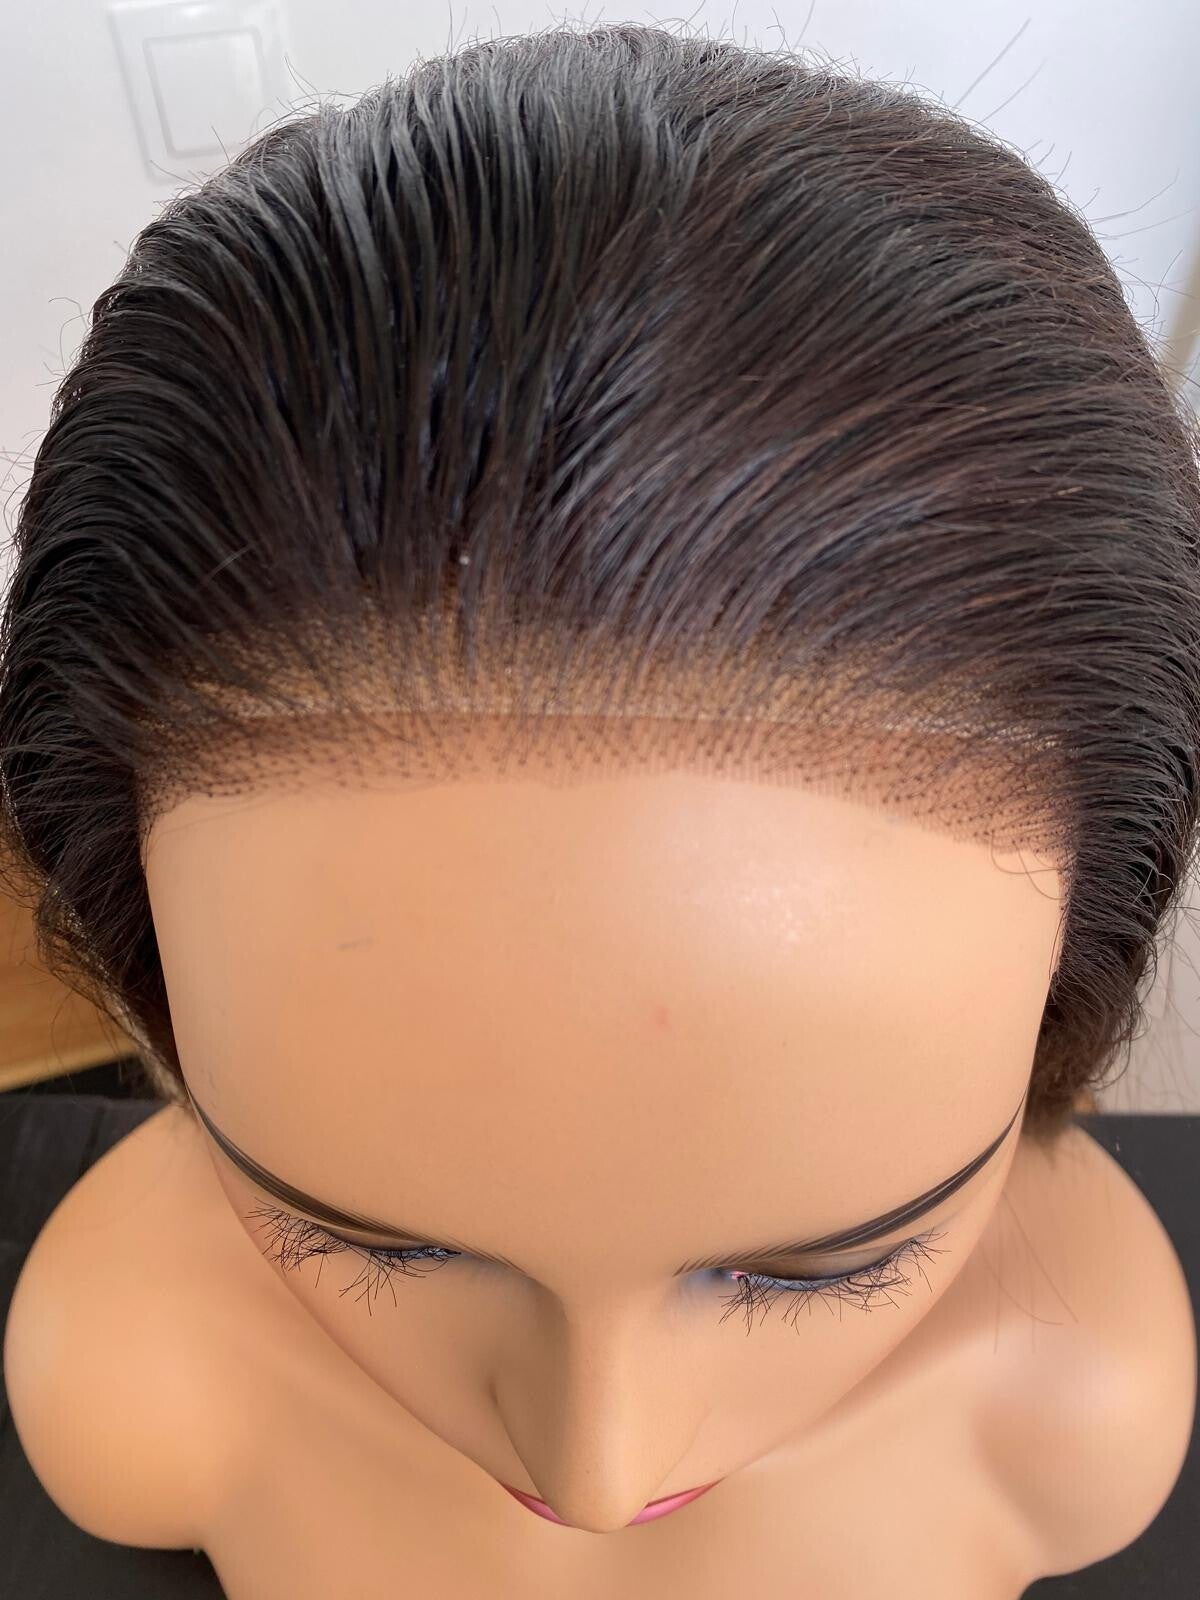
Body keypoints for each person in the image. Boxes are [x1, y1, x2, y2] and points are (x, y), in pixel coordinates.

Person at [2, 21, 1196, 1597]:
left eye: (823, 1267)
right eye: (377, 1243)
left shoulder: (1072, 1415)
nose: (597, 1470)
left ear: (1060, 1008)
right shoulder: (128, 1384)